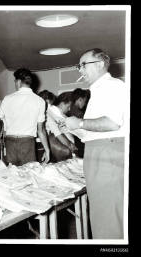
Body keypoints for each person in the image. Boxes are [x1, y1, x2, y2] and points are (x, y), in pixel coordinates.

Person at [65, 48, 127, 239]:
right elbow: (96, 128)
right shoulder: (99, 90)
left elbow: (112, 123)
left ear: (100, 64)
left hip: (107, 151)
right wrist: (75, 128)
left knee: (107, 214)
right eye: (79, 66)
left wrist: (80, 123)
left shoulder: (113, 86)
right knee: (103, 212)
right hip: (100, 150)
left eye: (83, 65)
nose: (80, 70)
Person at [0, 68, 50, 166]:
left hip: (9, 143)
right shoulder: (40, 101)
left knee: (12, 176)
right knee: (28, 175)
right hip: (27, 143)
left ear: (18, 82)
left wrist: (1, 130)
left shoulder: (8, 99)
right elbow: (41, 130)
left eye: (15, 81)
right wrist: (47, 150)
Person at [46, 92, 78, 162]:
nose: (69, 109)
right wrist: (70, 145)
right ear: (62, 103)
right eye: (68, 106)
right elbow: (57, 132)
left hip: (66, 148)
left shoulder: (60, 114)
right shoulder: (53, 113)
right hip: (61, 148)